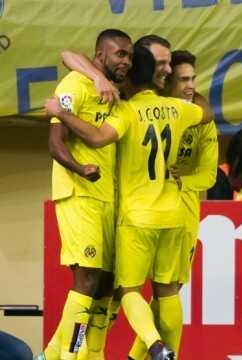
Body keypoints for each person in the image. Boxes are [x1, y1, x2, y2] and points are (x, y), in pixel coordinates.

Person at [44, 44, 214, 360]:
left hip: (134, 215)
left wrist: (62, 113)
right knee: (154, 289)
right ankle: (73, 353)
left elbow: (95, 137)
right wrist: (193, 93)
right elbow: (207, 113)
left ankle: (138, 347)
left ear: (133, 77)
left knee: (118, 290)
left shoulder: (127, 110)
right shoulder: (179, 109)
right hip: (165, 213)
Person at [38, 29, 132, 360]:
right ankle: (70, 355)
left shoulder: (119, 98)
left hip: (107, 199)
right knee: (88, 279)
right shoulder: (74, 86)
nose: (126, 61)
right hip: (78, 194)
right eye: (120, 54)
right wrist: (81, 169)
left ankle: (62, 355)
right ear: (100, 55)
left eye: (130, 56)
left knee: (107, 284)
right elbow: (55, 143)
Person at [127, 50, 219, 360]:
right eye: (183, 79)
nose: (191, 85)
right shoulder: (174, 112)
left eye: (193, 78)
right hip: (149, 210)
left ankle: (149, 354)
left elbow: (208, 174)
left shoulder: (201, 122)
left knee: (166, 291)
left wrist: (182, 181)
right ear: (167, 81)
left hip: (181, 212)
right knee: (158, 293)